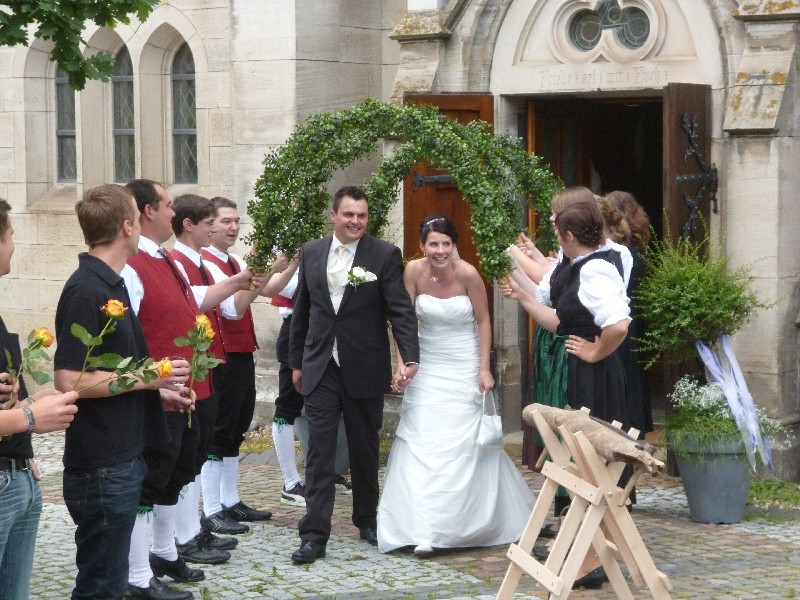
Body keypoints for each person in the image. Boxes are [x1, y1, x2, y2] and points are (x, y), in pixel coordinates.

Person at [122, 181, 259, 600]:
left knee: (177, 469)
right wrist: (147, 383)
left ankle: (165, 551)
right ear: (148, 212)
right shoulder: (132, 267)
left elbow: (194, 301)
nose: (170, 214)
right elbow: (128, 333)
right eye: (165, 206)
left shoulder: (165, 259)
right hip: (160, 387)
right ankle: (138, 571)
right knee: (154, 477)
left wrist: (239, 282)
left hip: (185, 384)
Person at [53, 184, 191, 600]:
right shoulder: (87, 289)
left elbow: (110, 369)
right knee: (102, 585)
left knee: (108, 581)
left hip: (121, 451)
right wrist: (146, 380)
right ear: (128, 226)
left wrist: (155, 392)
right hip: (102, 462)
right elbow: (68, 379)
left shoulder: (111, 284)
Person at [377, 215, 534, 556]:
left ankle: (466, 525)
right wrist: (403, 364)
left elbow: (483, 320)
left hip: (463, 363)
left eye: (446, 243)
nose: (440, 250)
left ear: (454, 245)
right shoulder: (413, 273)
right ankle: (420, 527)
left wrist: (484, 369)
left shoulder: (468, 274)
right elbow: (404, 322)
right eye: (433, 243)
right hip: (427, 364)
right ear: (422, 246)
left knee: (465, 443)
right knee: (421, 439)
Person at [501, 200, 631, 589]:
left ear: (570, 236)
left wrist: (594, 351)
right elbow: (562, 322)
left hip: (598, 375)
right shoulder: (578, 267)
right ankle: (584, 554)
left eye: (559, 233)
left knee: (591, 463)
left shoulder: (597, 270)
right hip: (580, 371)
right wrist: (523, 299)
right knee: (579, 463)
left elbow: (619, 325)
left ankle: (591, 559)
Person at [288, 185, 420, 564]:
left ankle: (367, 520)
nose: (356, 221)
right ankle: (314, 533)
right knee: (319, 451)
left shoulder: (383, 254)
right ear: (333, 215)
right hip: (320, 364)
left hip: (364, 363)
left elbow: (400, 311)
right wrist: (297, 361)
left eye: (361, 215)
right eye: (349, 215)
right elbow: (303, 310)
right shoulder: (312, 251)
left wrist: (409, 356)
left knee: (364, 448)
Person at [0, 198, 78, 600]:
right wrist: (28, 417)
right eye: (10, 235)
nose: (14, 245)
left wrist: (20, 422)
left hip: (16, 473)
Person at [200, 196, 287, 521]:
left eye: (237, 221)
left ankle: (230, 500)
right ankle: (212, 507)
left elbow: (266, 290)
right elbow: (235, 308)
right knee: (219, 429)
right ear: (210, 225)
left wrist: (286, 264)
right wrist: (262, 270)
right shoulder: (207, 262)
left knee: (237, 426)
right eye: (226, 221)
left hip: (241, 352)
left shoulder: (234, 260)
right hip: (220, 355)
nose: (234, 227)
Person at [603, 190, 653, 437]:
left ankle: (627, 432)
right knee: (632, 377)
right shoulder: (638, 249)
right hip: (634, 321)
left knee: (624, 378)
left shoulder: (623, 254)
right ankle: (635, 429)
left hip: (622, 320)